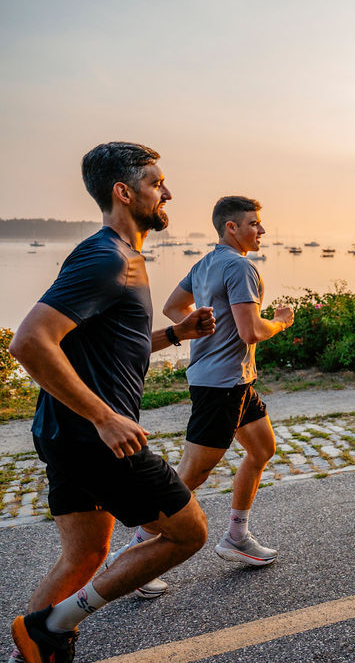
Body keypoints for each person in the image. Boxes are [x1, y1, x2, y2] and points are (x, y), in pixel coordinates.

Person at [8, 142, 214, 663]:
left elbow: (111, 343)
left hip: (64, 433)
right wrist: (104, 417)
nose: (167, 192)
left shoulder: (121, 258)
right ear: (124, 192)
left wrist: (175, 333)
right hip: (92, 438)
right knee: (188, 533)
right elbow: (30, 342)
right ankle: (56, 625)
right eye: (156, 182)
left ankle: (32, 648)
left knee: (85, 554)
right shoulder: (109, 258)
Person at [105, 196, 295, 595]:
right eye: (254, 224)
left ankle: (237, 537)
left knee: (262, 450)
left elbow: (176, 307)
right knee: (191, 475)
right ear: (231, 228)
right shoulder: (241, 267)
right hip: (220, 387)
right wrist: (278, 322)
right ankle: (137, 555)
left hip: (235, 382)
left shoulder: (205, 263)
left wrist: (201, 327)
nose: (261, 231)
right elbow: (251, 332)